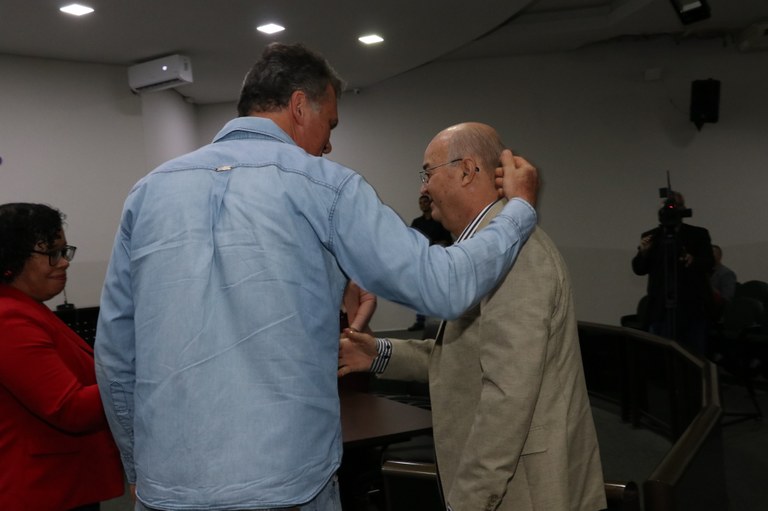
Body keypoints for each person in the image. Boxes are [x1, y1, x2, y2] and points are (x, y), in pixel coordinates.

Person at [95, 43, 539, 511]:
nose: (328, 144)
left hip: (168, 487)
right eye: (330, 124)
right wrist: (519, 210)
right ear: (298, 106)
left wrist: (138, 465)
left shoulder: (148, 192)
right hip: (284, 485)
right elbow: (443, 287)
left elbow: (115, 355)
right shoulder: (325, 186)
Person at [339, 122, 606, 511]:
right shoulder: (485, 252)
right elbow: (460, 358)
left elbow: (507, 396)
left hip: (526, 492)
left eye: (427, 173)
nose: (423, 190)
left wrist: (469, 501)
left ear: (466, 171)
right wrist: (377, 354)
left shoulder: (515, 254)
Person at [0, 203, 124, 511]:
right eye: (53, 254)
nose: (65, 262)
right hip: (42, 492)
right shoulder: (9, 318)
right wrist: (139, 379)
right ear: (12, 259)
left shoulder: (26, 308)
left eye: (64, 251)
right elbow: (70, 409)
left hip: (60, 487)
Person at [632, 192, 715, 355]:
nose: (671, 210)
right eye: (668, 206)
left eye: (676, 206)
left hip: (691, 307)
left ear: (683, 210)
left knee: (694, 357)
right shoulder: (651, 236)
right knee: (662, 356)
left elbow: (709, 263)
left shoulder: (698, 234)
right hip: (660, 308)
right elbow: (639, 269)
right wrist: (643, 252)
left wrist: (693, 260)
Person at [407, 195, 453, 330]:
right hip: (422, 260)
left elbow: (447, 241)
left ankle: (442, 321)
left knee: (439, 289)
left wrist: (434, 245)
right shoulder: (417, 222)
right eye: (420, 202)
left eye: (425, 202)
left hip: (438, 259)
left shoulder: (439, 220)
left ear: (430, 203)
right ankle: (420, 321)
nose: (423, 204)